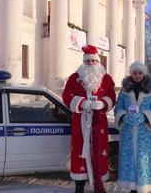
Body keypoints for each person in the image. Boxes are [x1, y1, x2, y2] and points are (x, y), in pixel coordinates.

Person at [62, 44, 116, 193]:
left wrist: (103, 103)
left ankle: (99, 181)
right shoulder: (75, 78)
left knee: (99, 151)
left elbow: (112, 96)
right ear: (83, 62)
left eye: (93, 61)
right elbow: (66, 96)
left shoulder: (106, 78)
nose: (91, 64)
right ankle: (79, 184)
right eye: (88, 61)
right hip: (80, 121)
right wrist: (81, 102)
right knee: (80, 152)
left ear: (98, 62)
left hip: (99, 122)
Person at [114, 61, 151, 193]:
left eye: (140, 73)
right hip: (128, 132)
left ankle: (144, 187)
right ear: (131, 74)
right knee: (129, 159)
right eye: (135, 73)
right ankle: (131, 187)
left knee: (144, 160)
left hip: (144, 133)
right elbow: (118, 108)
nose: (137, 75)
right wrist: (124, 116)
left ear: (144, 74)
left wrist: (145, 116)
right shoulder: (124, 91)